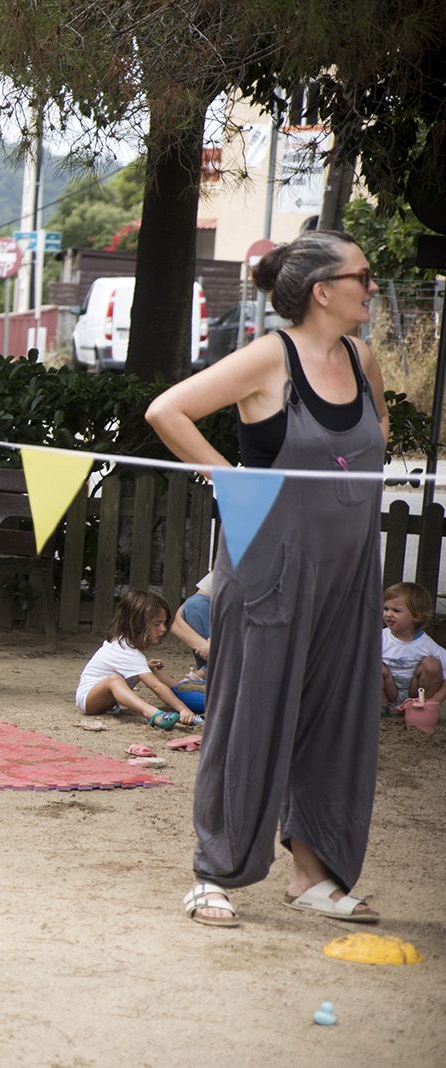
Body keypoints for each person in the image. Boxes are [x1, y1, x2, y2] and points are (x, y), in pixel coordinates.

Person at [145, 229, 386, 928]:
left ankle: (314, 875)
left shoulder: (361, 357)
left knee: (339, 716)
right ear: (323, 291)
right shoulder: (267, 357)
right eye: (362, 277)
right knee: (251, 715)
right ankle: (213, 871)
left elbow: (373, 441)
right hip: (271, 567)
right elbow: (168, 410)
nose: (371, 287)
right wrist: (228, 479)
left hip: (348, 570)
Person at [74, 591, 195, 729]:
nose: (163, 629)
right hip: (88, 700)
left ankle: (183, 692)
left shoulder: (127, 648)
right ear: (137, 624)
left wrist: (146, 666)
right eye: (157, 624)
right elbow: (157, 686)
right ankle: (153, 714)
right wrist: (183, 709)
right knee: (114, 680)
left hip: (103, 701)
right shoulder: (126, 651)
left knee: (141, 671)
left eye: (164, 623)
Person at [380, 581, 446, 708]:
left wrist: (436, 699)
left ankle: (421, 708)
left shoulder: (426, 645)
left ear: (416, 616)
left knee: (431, 664)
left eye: (396, 610)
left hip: (415, 694)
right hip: (388, 692)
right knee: (371, 663)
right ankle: (382, 711)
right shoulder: (379, 639)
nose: (388, 614)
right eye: (386, 608)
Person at [169, 571, 215, 669]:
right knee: (195, 604)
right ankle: (212, 669)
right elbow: (177, 625)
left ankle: (208, 671)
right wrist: (210, 649)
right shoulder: (227, 568)